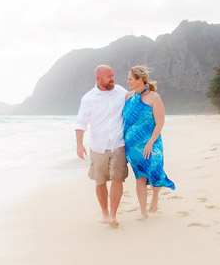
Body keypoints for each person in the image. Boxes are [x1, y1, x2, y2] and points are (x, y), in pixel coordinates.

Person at [75, 65, 129, 227]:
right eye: (108, 76)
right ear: (98, 78)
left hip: (119, 144)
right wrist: (79, 144)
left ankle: (113, 215)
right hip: (98, 147)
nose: (112, 78)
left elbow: (136, 97)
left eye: (113, 75)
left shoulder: (120, 91)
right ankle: (105, 213)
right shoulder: (89, 98)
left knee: (118, 179)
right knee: (100, 181)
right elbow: (81, 123)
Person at [123, 65, 175, 220]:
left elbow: (159, 122)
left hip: (151, 143)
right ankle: (143, 212)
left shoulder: (154, 97)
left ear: (140, 79)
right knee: (140, 177)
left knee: (154, 171)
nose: (128, 82)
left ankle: (155, 197)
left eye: (130, 79)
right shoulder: (128, 97)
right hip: (133, 147)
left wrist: (150, 142)